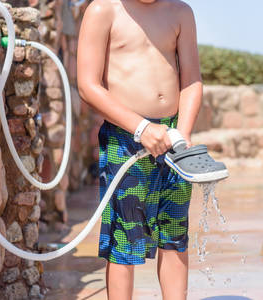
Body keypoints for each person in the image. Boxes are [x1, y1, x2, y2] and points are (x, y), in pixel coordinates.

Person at [76, 0, 202, 299]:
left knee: (174, 234)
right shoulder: (103, 10)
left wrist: (182, 133)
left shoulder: (180, 12)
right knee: (124, 237)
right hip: (125, 139)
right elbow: (88, 85)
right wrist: (141, 128)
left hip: (173, 137)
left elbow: (192, 80)